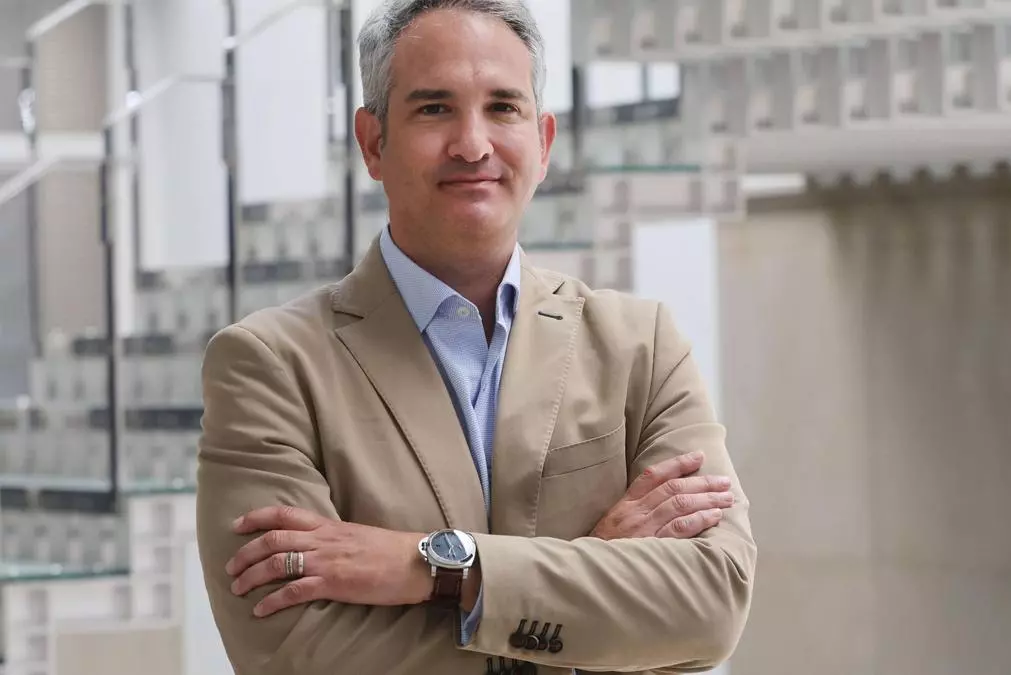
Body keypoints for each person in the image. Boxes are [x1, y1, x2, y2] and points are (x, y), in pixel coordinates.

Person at [194, 1, 756, 673]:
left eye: (503, 108)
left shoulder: (643, 345)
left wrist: (432, 567)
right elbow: (298, 654)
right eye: (434, 109)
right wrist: (593, 577)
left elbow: (710, 604)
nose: (473, 144)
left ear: (543, 142)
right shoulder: (268, 365)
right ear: (373, 142)